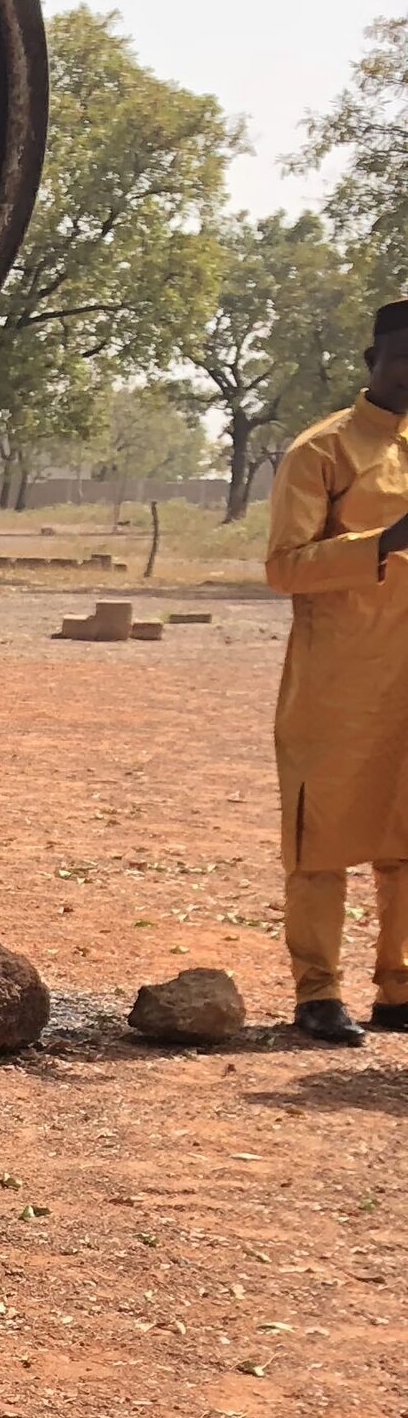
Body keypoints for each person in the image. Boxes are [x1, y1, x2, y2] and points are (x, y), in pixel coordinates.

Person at [264, 300, 408, 1045]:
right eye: (401, 356)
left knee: (405, 840)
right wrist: (384, 541)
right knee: (319, 843)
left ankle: (399, 989)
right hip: (337, 685)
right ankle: (317, 993)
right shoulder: (323, 450)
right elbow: (284, 567)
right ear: (372, 361)